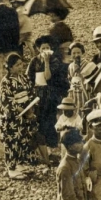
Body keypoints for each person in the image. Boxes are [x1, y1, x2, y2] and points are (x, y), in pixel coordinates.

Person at [0, 52, 42, 179]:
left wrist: (31, 108)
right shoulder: (6, 82)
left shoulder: (24, 78)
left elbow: (31, 93)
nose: (20, 67)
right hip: (13, 117)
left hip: (26, 113)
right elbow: (7, 101)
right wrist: (21, 110)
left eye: (21, 64)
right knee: (12, 141)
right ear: (10, 67)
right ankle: (11, 168)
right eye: (17, 65)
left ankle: (20, 164)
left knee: (24, 139)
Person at [28, 34, 70, 164]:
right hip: (38, 94)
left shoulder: (54, 61)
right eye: (43, 48)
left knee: (50, 120)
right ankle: (42, 148)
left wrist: (46, 62)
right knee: (39, 120)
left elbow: (48, 77)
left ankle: (51, 147)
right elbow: (28, 76)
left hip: (51, 94)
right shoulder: (34, 61)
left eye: (47, 48)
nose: (45, 50)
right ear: (38, 49)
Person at [56, 128, 88, 200]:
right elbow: (68, 196)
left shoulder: (77, 161)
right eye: (78, 143)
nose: (82, 144)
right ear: (70, 147)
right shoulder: (65, 167)